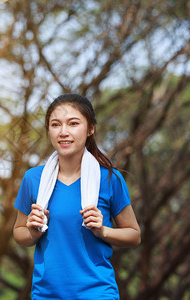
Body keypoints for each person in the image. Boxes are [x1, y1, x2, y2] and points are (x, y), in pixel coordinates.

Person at [13, 94, 141, 299]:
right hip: (46, 294)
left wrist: (103, 231)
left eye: (73, 123)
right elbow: (19, 232)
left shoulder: (109, 178)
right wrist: (33, 233)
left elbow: (134, 235)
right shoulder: (33, 179)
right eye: (55, 125)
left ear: (90, 128)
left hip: (97, 292)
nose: (64, 132)